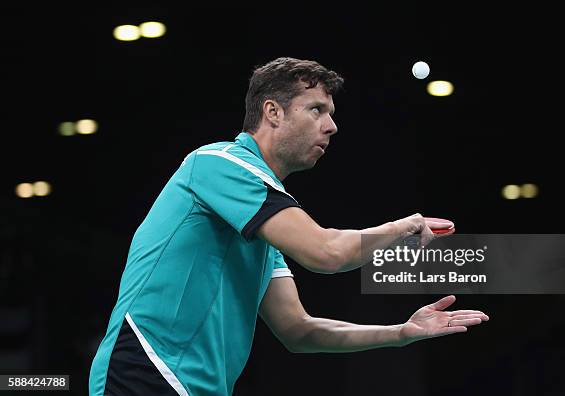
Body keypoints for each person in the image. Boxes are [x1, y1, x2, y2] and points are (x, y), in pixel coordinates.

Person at [89, 57, 489, 396]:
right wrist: (401, 228)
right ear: (273, 112)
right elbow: (326, 252)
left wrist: (401, 332)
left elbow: (298, 330)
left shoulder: (261, 230)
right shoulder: (217, 163)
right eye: (316, 110)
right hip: (145, 372)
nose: (331, 126)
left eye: (331, 114)